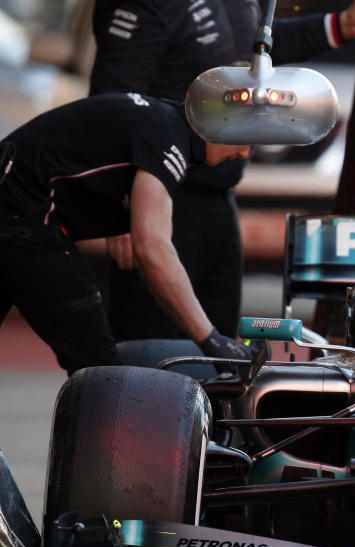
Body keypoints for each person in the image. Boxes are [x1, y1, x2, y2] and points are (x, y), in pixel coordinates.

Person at [87, 0, 355, 341]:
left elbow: (251, 53)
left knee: (222, 358)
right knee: (155, 359)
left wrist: (336, 26)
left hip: (219, 197)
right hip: (158, 199)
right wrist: (117, 208)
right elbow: (110, 104)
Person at [0, 93, 256, 374]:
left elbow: (144, 243)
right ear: (216, 125)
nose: (244, 153)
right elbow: (153, 249)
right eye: (243, 140)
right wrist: (211, 339)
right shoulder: (169, 140)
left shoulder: (164, 119)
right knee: (99, 370)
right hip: (20, 214)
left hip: (17, 205)